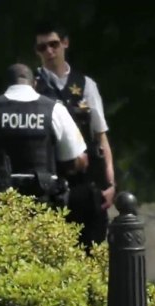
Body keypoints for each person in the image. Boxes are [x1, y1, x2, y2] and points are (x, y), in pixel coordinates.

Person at [0, 63, 88, 207]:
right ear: (35, 83)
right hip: (44, 204)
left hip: (0, 204)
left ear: (6, 85)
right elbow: (74, 159)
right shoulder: (55, 110)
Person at [33, 22, 116, 247]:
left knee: (92, 248)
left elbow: (101, 137)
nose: (49, 51)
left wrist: (110, 183)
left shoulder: (86, 85)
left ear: (65, 43)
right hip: (50, 181)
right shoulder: (33, 88)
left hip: (86, 182)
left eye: (54, 44)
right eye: (42, 48)